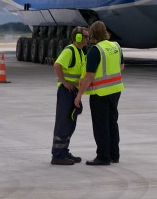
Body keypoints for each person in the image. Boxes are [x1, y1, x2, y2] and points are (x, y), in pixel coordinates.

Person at [75, 21, 124, 165]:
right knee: (112, 123)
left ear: (92, 34)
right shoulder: (116, 46)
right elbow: (122, 66)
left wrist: (79, 95)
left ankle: (103, 156)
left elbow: (89, 76)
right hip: (116, 90)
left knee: (101, 125)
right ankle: (114, 154)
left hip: (100, 93)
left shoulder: (95, 51)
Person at [51, 27, 88, 165]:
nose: (87, 39)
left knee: (70, 122)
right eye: (85, 36)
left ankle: (64, 150)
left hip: (73, 91)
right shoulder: (70, 50)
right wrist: (64, 82)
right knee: (63, 123)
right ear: (78, 38)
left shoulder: (80, 52)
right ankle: (57, 155)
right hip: (66, 92)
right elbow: (57, 65)